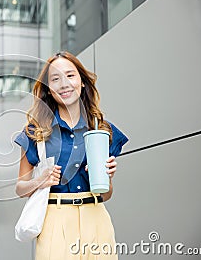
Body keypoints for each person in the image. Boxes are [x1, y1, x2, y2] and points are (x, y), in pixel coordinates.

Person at [14, 51, 128, 260]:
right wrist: (40, 180)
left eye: (70, 75)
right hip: (54, 223)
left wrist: (108, 178)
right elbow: (20, 188)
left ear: (82, 82)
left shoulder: (102, 130)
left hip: (96, 220)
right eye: (55, 79)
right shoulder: (35, 131)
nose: (64, 83)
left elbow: (107, 195)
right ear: (49, 89)